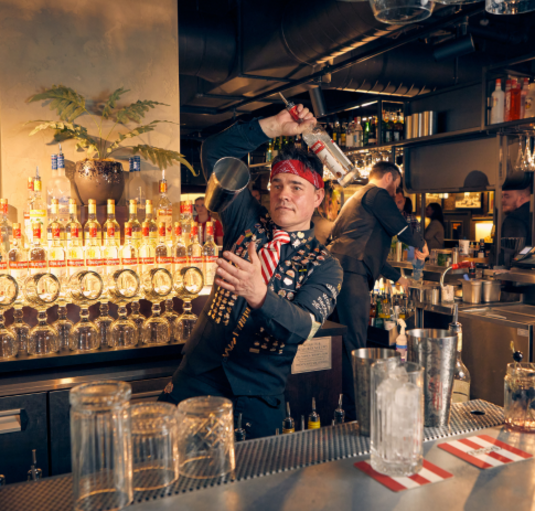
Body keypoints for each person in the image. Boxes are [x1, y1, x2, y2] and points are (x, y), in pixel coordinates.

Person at [158, 105, 343, 439]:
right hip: (197, 375)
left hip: (256, 396)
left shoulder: (326, 266)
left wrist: (260, 297)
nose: (283, 194)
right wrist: (273, 126)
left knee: (252, 489)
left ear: (318, 197)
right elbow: (215, 153)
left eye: (296, 187)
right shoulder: (246, 219)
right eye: (277, 185)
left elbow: (303, 327)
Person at [328, 162, 428, 420]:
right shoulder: (376, 193)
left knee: (338, 342)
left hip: (336, 271)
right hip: (352, 276)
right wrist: (420, 242)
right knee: (354, 344)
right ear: (389, 177)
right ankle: (356, 412)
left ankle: (338, 406)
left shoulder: (357, 199)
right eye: (396, 186)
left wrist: (398, 278)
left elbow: (367, 249)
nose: (397, 193)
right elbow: (401, 227)